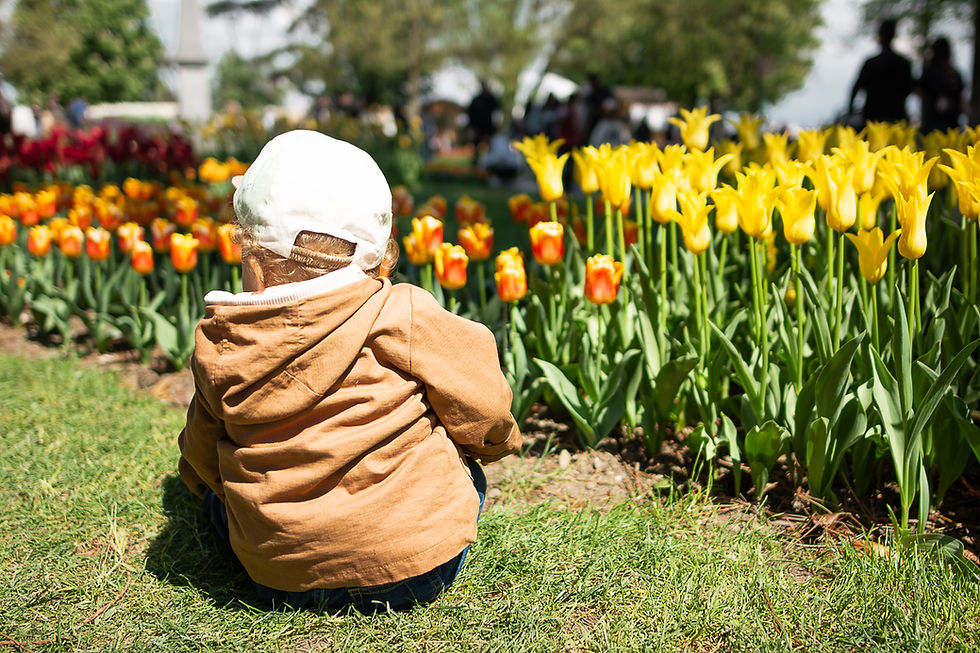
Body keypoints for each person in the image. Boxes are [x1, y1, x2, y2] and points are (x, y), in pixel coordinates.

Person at [177, 130, 522, 612]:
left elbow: (201, 450)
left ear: (249, 251)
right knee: (463, 476)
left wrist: (205, 489)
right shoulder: (400, 313)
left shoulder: (225, 341)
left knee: (221, 506)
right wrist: (494, 445)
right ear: (378, 251)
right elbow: (482, 404)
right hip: (415, 567)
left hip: (282, 580)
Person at [848, 18, 913, 126]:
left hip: (873, 117)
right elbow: (909, 89)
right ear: (893, 35)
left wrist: (850, 109)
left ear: (880, 36)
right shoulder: (904, 63)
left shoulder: (871, 63)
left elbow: (857, 87)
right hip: (897, 116)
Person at [917, 36, 965, 133]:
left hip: (931, 122)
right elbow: (961, 99)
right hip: (951, 122)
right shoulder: (954, 74)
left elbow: (919, 91)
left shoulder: (929, 71)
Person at [466, 80, 500, 162]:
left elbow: (497, 112)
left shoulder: (491, 99)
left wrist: (496, 125)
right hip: (477, 127)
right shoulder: (476, 100)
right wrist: (471, 127)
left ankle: (490, 161)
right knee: (476, 145)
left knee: (490, 146)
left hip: (488, 127)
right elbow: (470, 113)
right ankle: (476, 160)